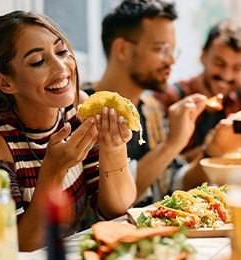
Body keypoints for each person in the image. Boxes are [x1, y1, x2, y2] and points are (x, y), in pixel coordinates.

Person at [0, 10, 136, 252]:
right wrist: (53, 172)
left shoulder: (77, 110)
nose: (61, 68)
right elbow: (19, 247)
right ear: (6, 82)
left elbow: (115, 209)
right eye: (37, 61)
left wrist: (114, 147)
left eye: (62, 51)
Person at [81, 0, 208, 206]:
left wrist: (212, 150)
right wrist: (171, 144)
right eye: (160, 49)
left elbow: (172, 183)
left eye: (172, 51)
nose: (171, 61)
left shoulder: (152, 109)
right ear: (122, 49)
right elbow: (106, 207)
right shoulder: (83, 110)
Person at [155, 19, 241, 162]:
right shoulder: (169, 98)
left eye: (237, 68)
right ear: (203, 56)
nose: (226, 75)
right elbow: (164, 172)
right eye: (219, 63)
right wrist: (213, 148)